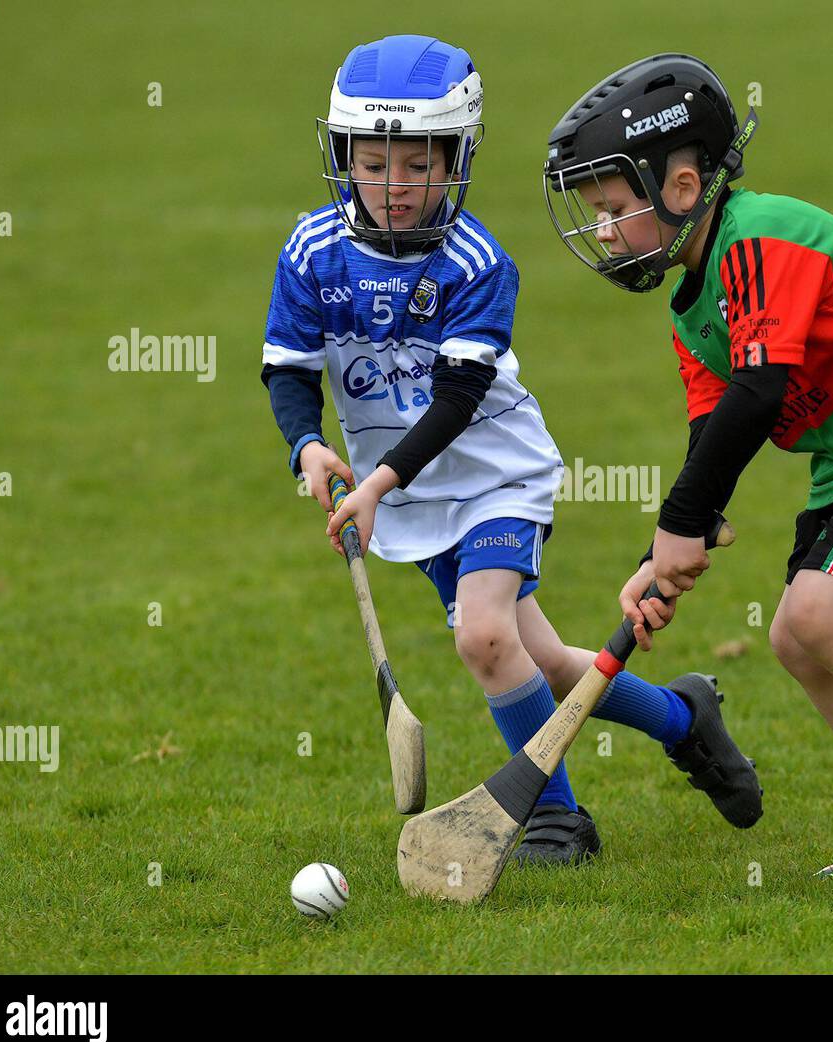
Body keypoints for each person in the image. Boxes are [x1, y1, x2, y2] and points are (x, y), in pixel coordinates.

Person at [262, 37, 763, 867]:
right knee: (548, 661)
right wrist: (308, 447)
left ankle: (557, 818)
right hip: (414, 503)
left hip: (497, 477)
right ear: (342, 155)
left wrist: (378, 482)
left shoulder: (474, 263)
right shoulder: (312, 250)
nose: (392, 185)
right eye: (373, 162)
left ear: (454, 157)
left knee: (484, 639)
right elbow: (288, 370)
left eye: (415, 165)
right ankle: (686, 718)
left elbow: (458, 400)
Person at [542, 54, 833, 894]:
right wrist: (669, 549)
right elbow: (712, 445)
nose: (605, 231)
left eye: (616, 209)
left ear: (685, 187)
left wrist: (681, 515)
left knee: (817, 609)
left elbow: (761, 390)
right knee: (793, 634)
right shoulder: (691, 313)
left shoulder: (761, 236)